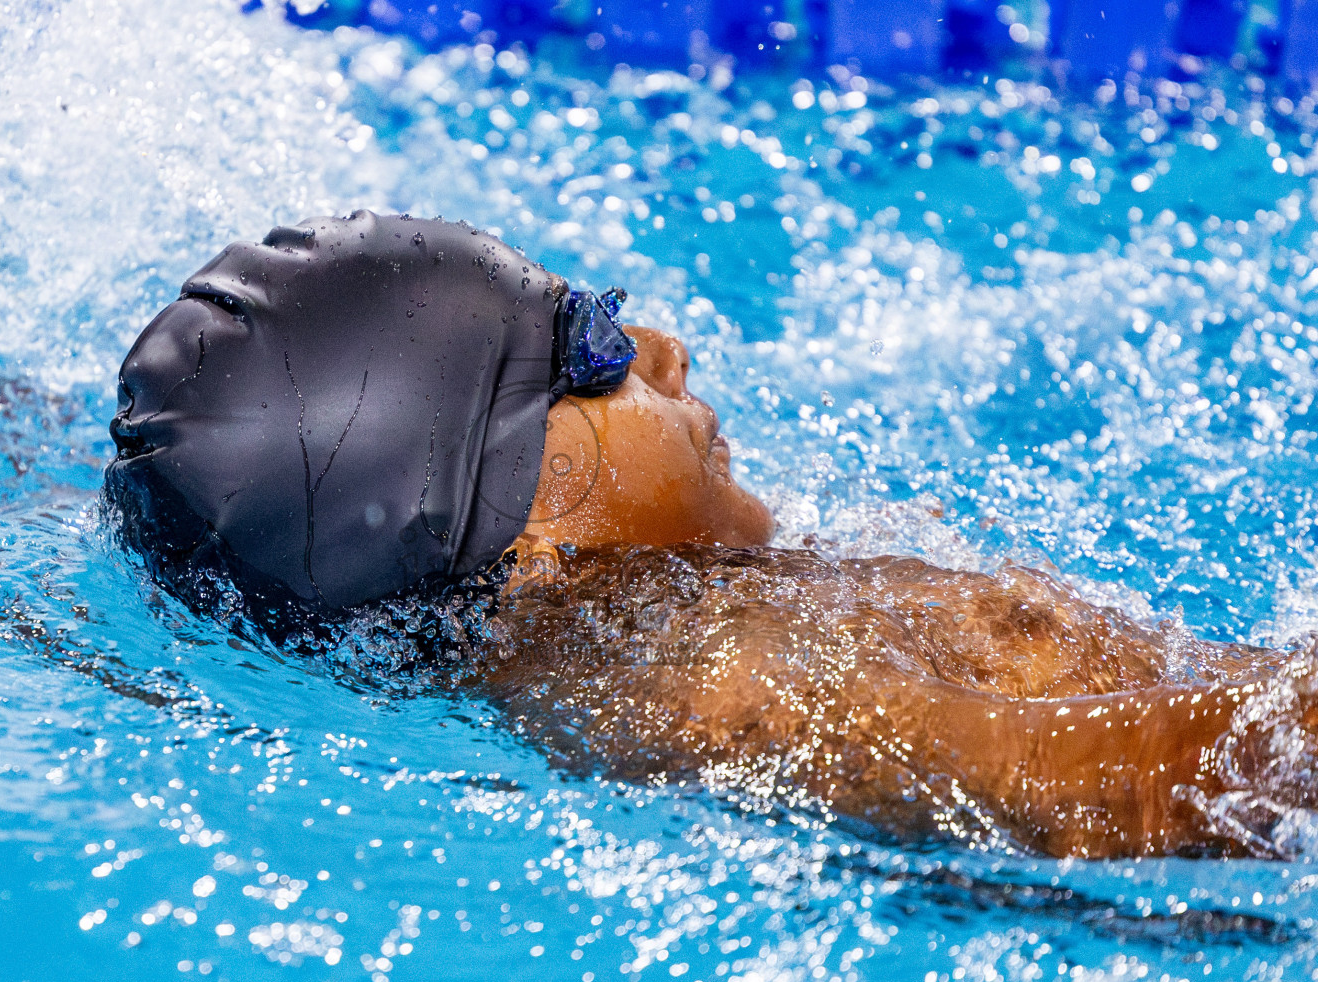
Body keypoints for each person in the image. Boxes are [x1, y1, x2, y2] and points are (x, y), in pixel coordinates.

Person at [107, 211, 1318, 860]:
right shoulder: (703, 683)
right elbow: (1124, 781)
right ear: (524, 536)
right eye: (587, 349)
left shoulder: (662, 610)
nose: (658, 348)